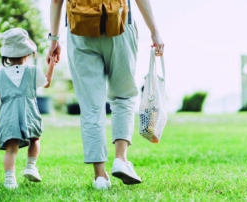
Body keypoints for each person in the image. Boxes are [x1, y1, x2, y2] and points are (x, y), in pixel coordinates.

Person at [47, 0, 164, 190]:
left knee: (91, 106)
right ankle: (120, 158)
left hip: (80, 30)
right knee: (123, 96)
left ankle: (100, 176)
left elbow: (55, 1)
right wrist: (155, 31)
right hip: (119, 26)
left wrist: (53, 39)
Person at [0, 28, 55, 189]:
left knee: (11, 149)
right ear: (28, 53)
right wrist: (51, 64)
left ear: (6, 55)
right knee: (35, 139)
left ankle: (10, 179)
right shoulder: (33, 71)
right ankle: (31, 166)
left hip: (8, 116)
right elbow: (47, 81)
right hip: (29, 113)